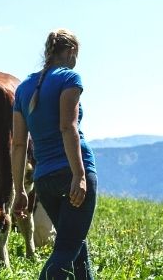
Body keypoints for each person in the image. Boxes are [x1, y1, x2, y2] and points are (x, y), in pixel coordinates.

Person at [12, 28, 97, 280]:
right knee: (66, 250)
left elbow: (18, 145)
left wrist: (20, 191)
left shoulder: (24, 88)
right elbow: (67, 126)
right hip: (71, 171)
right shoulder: (69, 79)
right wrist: (79, 175)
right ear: (70, 51)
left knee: (76, 248)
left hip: (44, 180)